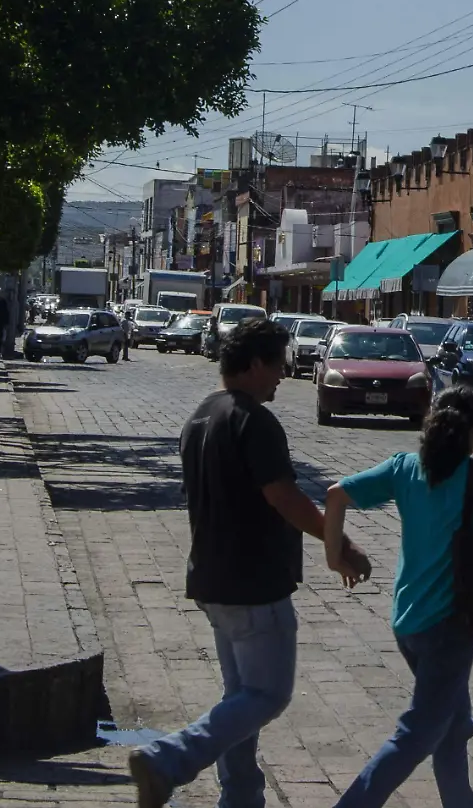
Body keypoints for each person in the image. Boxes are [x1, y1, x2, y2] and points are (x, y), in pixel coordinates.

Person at [128, 318, 371, 808]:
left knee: (240, 698)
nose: (283, 374)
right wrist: (336, 540)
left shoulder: (200, 416)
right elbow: (282, 495)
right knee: (268, 695)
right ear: (256, 363)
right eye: (278, 365)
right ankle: (169, 759)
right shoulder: (252, 420)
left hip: (212, 578)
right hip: (253, 581)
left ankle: (240, 798)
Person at [320, 387, 473, 808]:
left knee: (452, 726)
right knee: (417, 734)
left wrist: (334, 558)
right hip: (449, 627)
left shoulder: (405, 468)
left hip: (407, 620)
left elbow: (335, 495)